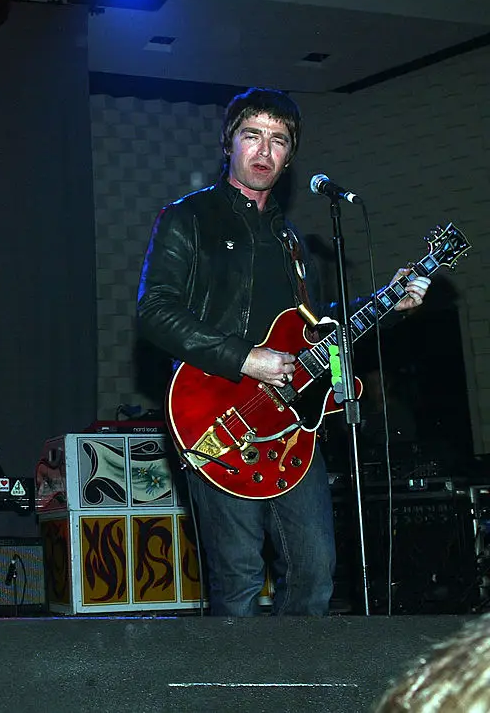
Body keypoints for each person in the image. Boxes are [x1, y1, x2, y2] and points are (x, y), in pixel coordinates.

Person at [136, 87, 430, 616]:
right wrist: (245, 358)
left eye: (278, 140)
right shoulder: (188, 218)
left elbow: (312, 331)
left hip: (292, 425)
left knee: (315, 571)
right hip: (216, 411)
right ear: (229, 142)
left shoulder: (293, 244)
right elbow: (155, 311)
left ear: (290, 157)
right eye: (253, 135)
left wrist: (389, 301)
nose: (264, 151)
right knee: (239, 580)